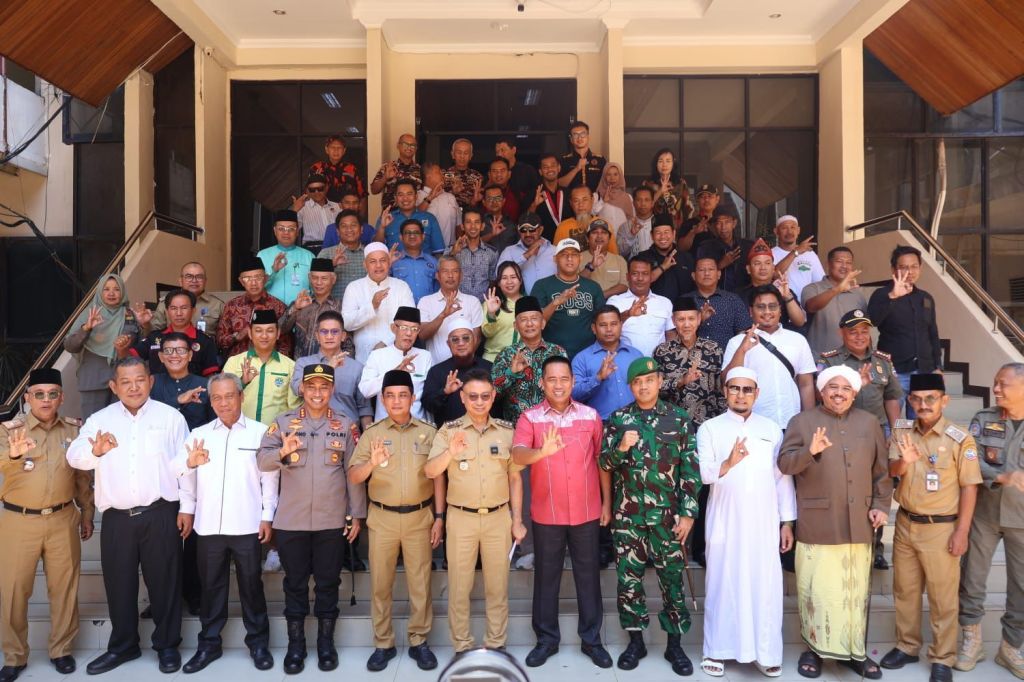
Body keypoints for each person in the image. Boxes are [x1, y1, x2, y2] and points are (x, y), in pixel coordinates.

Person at [66, 357, 194, 675]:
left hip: (161, 513)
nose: (134, 387)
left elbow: (187, 465)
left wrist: (187, 508)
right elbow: (74, 457)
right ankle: (124, 646)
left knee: (164, 582)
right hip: (117, 518)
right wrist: (96, 451)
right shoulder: (99, 420)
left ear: (151, 381)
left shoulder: (171, 417)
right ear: (114, 386)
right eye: (125, 381)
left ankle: (167, 645)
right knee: (119, 584)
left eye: (139, 380)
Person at [777, 365, 892, 679]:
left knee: (853, 593)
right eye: (833, 387)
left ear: (854, 394)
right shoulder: (802, 422)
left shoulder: (869, 422)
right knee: (817, 591)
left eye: (845, 389)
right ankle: (813, 650)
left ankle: (854, 652)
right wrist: (810, 451)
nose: (839, 393)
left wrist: (881, 505)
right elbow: (785, 464)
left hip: (860, 522)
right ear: (821, 391)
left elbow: (882, 472)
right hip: (818, 522)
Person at [257, 363, 365, 674]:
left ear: (332, 390)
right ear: (302, 389)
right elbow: (262, 461)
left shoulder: (345, 425)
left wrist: (356, 514)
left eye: (324, 387)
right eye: (312, 386)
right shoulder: (283, 423)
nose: (318, 393)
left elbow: (353, 473)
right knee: (295, 584)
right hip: (291, 521)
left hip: (331, 521)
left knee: (328, 583)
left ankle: (326, 644)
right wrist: (282, 452)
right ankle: (296, 646)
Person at [600, 357, 701, 676]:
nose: (643, 386)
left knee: (672, 581)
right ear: (631, 387)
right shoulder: (618, 419)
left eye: (649, 380)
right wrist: (621, 448)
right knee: (629, 582)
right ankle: (635, 643)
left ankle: (675, 645)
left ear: (659, 382)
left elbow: (690, 470)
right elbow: (603, 464)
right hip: (628, 519)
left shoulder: (678, 419)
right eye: (637, 382)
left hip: (668, 519)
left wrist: (688, 515)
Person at [513, 356, 613, 669]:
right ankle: (546, 640)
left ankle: (592, 640)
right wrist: (540, 452)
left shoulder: (590, 416)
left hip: (587, 510)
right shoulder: (529, 418)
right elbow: (518, 455)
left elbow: (601, 461)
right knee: (546, 577)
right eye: (552, 379)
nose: (558, 385)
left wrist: (606, 503)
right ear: (542, 383)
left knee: (589, 576)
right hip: (547, 512)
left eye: (564, 379)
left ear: (573, 382)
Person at [175, 373, 278, 673]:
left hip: (247, 524)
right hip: (208, 526)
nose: (223, 403)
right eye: (217, 398)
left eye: (229, 396)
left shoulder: (260, 433)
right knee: (210, 587)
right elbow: (184, 476)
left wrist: (267, 516)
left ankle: (258, 644)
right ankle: (209, 644)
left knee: (251, 586)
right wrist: (186, 509)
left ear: (241, 397)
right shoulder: (199, 434)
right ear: (211, 401)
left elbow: (270, 480)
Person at [880, 373, 980, 682]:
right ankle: (907, 646)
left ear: (944, 400)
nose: (923, 404)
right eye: (917, 399)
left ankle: (942, 657)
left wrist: (962, 531)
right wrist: (905, 461)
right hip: (906, 523)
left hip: (942, 528)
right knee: (905, 591)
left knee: (942, 596)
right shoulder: (902, 430)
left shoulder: (960, 438)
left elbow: (969, 487)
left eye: (930, 398)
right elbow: (891, 470)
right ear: (909, 400)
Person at [697, 367, 796, 678]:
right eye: (735, 388)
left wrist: (787, 521)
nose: (741, 395)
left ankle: (764, 652)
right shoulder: (710, 428)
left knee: (764, 585)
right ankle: (716, 651)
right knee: (722, 583)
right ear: (725, 391)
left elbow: (782, 479)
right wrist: (729, 462)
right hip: (725, 519)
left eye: (747, 389)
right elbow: (704, 473)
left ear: (757, 394)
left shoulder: (771, 429)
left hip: (764, 522)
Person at [0, 369, 94, 682]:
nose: (46, 400)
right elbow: (1, 462)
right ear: (27, 398)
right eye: (38, 394)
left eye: (52, 393)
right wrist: (14, 456)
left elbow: (82, 476)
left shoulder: (73, 430)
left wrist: (87, 512)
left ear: (61, 397)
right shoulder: (9, 431)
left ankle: (61, 650)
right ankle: (14, 656)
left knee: (64, 589)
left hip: (62, 519)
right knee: (13, 592)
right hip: (19, 521)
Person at [347, 370, 444, 672]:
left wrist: (439, 517)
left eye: (403, 395)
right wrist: (371, 463)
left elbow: (438, 478)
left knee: (420, 583)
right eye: (390, 396)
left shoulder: (428, 432)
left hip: (419, 517)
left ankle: (419, 640)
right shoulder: (372, 434)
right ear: (383, 399)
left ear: (413, 398)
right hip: (383, 518)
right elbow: (354, 476)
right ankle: (383, 643)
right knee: (380, 584)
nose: (397, 401)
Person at [424, 369, 525, 654]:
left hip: (498, 518)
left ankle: (496, 644)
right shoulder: (449, 431)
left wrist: (517, 520)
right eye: (473, 397)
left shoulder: (506, 432)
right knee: (459, 587)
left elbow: (515, 478)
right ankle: (462, 646)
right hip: (461, 518)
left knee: (498, 586)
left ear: (493, 397)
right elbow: (430, 471)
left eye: (484, 396)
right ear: (462, 398)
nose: (479, 402)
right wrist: (450, 452)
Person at [957, 363, 1024, 676]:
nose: (995, 389)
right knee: (972, 578)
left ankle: (1010, 647)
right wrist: (1002, 476)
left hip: (1021, 517)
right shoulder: (984, 419)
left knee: (1022, 585)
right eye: (995, 383)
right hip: (984, 513)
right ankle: (972, 640)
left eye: (1003, 384)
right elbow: (971, 460)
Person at [723, 285, 816, 429]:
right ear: (751, 311)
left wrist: (810, 422)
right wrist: (742, 350)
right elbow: (726, 380)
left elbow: (806, 384)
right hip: (752, 424)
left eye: (772, 306)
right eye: (761, 307)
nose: (767, 312)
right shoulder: (737, 342)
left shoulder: (798, 340)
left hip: (791, 421)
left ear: (780, 310)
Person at [867, 245, 941, 418]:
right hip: (895, 371)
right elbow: (872, 321)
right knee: (892, 424)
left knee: (921, 422)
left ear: (920, 268)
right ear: (894, 269)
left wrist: (937, 367)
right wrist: (893, 297)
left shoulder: (925, 298)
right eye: (904, 267)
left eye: (914, 266)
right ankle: (897, 438)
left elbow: (932, 333)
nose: (910, 271)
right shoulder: (882, 294)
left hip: (924, 370)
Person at [63, 273, 141, 418]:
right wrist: (86, 328)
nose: (111, 293)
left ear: (122, 291)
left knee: (123, 424)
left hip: (123, 380)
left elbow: (140, 345)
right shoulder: (89, 313)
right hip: (93, 380)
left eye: (116, 289)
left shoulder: (129, 314)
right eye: (106, 289)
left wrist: (145, 325)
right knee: (94, 426)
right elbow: (70, 346)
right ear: (100, 292)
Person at [491, 296, 567, 427]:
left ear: (543, 323)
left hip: (553, 427)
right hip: (516, 428)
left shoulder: (558, 352)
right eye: (523, 320)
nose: (529, 324)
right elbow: (492, 395)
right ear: (515, 326)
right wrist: (511, 373)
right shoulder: (506, 355)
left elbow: (568, 388)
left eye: (534, 318)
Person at [291, 311, 373, 431]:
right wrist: (328, 368)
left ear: (343, 336)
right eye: (324, 332)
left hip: (347, 433)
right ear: (317, 336)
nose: (329, 336)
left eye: (334, 332)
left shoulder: (357, 368)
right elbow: (297, 389)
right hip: (311, 432)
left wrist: (368, 438)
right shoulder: (304, 363)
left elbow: (364, 409)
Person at [654, 297, 727, 427]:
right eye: (681, 319)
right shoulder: (662, 351)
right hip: (672, 424)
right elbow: (655, 389)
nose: (687, 325)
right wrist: (681, 381)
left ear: (698, 319)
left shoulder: (713, 349)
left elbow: (720, 390)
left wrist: (723, 423)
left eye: (691, 319)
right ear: (673, 321)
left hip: (708, 424)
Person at [341, 241, 416, 364]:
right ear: (365, 265)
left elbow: (410, 323)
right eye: (373, 261)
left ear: (389, 262)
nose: (378, 265)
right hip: (364, 357)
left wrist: (386, 343)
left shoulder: (401, 287)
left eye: (383, 260)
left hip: (397, 354)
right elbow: (347, 323)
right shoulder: (354, 287)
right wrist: (372, 306)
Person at [222, 310, 300, 425]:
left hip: (275, 433)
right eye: (258, 331)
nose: (264, 336)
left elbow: (294, 408)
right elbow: (222, 398)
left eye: (270, 331)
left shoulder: (291, 366)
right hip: (240, 431)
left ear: (278, 333)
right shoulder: (234, 362)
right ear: (250, 333)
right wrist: (242, 382)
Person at [532, 238, 605, 358]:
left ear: (580, 258)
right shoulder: (542, 285)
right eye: (564, 254)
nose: (569, 258)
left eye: (574, 254)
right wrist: (556, 303)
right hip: (552, 354)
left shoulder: (593, 287)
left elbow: (603, 320)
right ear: (555, 259)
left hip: (587, 354)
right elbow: (535, 322)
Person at [359, 306, 433, 422]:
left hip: (417, 425)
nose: (409, 333)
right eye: (404, 328)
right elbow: (365, 391)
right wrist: (394, 373)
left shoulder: (425, 356)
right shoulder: (377, 355)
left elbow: (429, 395)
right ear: (393, 328)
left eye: (414, 329)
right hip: (385, 426)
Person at [572, 305, 643, 420]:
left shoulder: (636, 355)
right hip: (599, 423)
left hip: (636, 421)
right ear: (594, 328)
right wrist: (598, 377)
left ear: (621, 325)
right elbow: (574, 395)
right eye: (603, 325)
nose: (609, 329)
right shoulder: (581, 359)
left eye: (613, 324)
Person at [132, 289, 221, 377]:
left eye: (184, 308)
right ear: (167, 311)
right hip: (158, 386)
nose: (179, 313)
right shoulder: (154, 337)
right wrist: (124, 346)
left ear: (193, 311)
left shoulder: (205, 341)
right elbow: (130, 358)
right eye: (173, 308)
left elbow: (210, 377)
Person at [215, 256, 291, 358]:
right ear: (241, 281)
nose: (253, 283)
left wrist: (275, 364)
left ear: (265, 279)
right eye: (247, 278)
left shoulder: (278, 306)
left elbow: (286, 344)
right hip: (237, 364)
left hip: (269, 363)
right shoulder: (232, 306)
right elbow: (220, 341)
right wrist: (237, 337)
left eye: (258, 277)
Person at [423, 319, 493, 426]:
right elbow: (428, 406)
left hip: (485, 432)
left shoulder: (490, 368)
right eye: (455, 339)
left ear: (474, 340)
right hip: (449, 434)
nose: (461, 343)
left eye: (466, 338)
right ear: (448, 344)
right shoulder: (437, 371)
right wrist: (444, 392)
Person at [802, 246, 867, 356]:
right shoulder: (813, 288)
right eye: (839, 261)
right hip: (822, 358)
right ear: (828, 264)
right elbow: (811, 307)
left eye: (848, 262)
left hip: (852, 358)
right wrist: (838, 289)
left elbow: (864, 327)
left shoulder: (858, 294)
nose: (844, 266)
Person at [418, 256, 485, 363]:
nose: (450, 275)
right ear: (437, 275)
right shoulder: (425, 302)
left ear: (461, 276)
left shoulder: (472, 302)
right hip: (435, 367)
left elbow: (476, 338)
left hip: (465, 367)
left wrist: (462, 362)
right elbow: (422, 335)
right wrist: (443, 315)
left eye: (455, 271)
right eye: (445, 271)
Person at [734, 238, 806, 329]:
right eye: (757, 263)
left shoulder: (784, 291)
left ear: (773, 268)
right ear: (748, 269)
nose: (763, 267)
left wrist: (787, 297)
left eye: (767, 263)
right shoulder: (738, 296)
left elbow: (800, 322)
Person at [685, 256, 753, 351]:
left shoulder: (732, 300)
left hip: (727, 357)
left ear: (719, 274)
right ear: (693, 276)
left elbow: (744, 331)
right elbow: (677, 335)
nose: (707, 273)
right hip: (692, 358)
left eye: (711, 269)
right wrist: (699, 321)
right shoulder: (685, 301)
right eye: (701, 270)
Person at [608, 258, 674, 356]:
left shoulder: (665, 302)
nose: (640, 278)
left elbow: (670, 334)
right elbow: (608, 329)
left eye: (645, 274)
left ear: (651, 277)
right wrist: (628, 314)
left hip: (658, 362)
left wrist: (669, 358)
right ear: (627, 277)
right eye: (635, 274)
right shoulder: (615, 301)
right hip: (626, 362)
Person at [279, 258, 341, 358]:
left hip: (330, 365)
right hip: (301, 364)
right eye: (315, 278)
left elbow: (347, 343)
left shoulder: (340, 307)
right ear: (309, 278)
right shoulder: (299, 303)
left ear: (333, 279)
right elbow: (280, 330)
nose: (319, 283)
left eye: (324, 278)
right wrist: (295, 308)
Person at [148, 262, 223, 335]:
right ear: (180, 281)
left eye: (199, 277)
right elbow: (154, 333)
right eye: (189, 276)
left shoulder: (217, 305)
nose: (194, 280)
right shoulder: (166, 302)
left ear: (205, 281)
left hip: (205, 343)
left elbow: (223, 337)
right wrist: (145, 324)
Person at [635, 215, 697, 302]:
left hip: (683, 309)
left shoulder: (687, 258)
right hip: (653, 308)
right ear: (652, 235)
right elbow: (639, 283)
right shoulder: (643, 258)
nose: (663, 237)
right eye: (658, 233)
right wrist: (662, 267)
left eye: (666, 232)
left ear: (674, 234)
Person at [258, 210, 313, 307]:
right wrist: (274, 271)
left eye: (291, 229)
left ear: (297, 232)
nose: (286, 232)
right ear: (275, 231)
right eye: (281, 228)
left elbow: (315, 287)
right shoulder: (262, 255)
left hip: (301, 310)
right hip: (270, 309)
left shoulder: (309, 256)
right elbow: (257, 287)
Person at [375, 179, 445, 255]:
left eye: (409, 194)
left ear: (416, 196)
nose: (405, 198)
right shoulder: (386, 218)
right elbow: (376, 248)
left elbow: (438, 252)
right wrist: (382, 227)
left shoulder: (430, 218)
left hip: (424, 262)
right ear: (395, 198)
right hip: (395, 262)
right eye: (401, 195)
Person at [696, 200, 753, 292]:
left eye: (727, 222)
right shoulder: (705, 248)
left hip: (744, 296)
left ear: (734, 223)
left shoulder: (747, 246)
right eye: (719, 222)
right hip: (716, 295)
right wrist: (720, 265)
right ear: (714, 225)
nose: (723, 227)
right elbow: (699, 277)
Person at [496, 214, 556, 293]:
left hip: (553, 300)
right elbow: (499, 275)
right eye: (523, 230)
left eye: (532, 230)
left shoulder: (554, 251)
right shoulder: (509, 251)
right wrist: (526, 255)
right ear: (518, 231)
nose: (528, 234)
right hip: (522, 300)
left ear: (540, 230)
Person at [771, 215, 824, 304]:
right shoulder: (770, 254)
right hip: (781, 307)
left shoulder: (810, 254)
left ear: (798, 230)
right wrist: (796, 252)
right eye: (784, 228)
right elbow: (774, 275)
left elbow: (820, 283)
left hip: (806, 308)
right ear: (776, 231)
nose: (789, 232)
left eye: (793, 227)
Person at [448, 207, 498, 302]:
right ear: (462, 226)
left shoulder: (492, 252)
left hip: (482, 304)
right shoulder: (451, 250)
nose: (473, 226)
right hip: (457, 304)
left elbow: (492, 280)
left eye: (477, 222)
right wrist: (453, 253)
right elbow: (442, 273)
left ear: (482, 226)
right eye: (468, 222)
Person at [554, 185, 620, 255]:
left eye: (585, 200)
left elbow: (614, 256)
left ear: (592, 200)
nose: (580, 205)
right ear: (571, 203)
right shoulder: (563, 227)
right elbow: (556, 256)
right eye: (576, 201)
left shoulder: (604, 225)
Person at [318, 210, 367, 300]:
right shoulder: (326, 253)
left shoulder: (369, 254)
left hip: (365, 306)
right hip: (335, 306)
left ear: (361, 229)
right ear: (337, 231)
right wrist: (331, 265)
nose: (349, 229)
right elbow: (315, 282)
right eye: (344, 226)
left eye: (353, 225)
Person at [481, 262, 525, 362]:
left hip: (522, 361)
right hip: (494, 360)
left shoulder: (528, 302)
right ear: (499, 283)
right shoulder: (491, 303)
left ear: (520, 280)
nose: (509, 281)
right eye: (504, 278)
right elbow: (487, 333)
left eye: (513, 277)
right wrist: (491, 314)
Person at [390, 218, 439, 303]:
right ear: (401, 237)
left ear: (423, 236)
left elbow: (438, 290)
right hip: (401, 309)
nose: (412, 236)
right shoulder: (393, 261)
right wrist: (388, 264)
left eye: (416, 232)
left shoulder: (433, 262)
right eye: (407, 233)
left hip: (428, 309)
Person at [526, 153, 573, 242]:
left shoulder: (568, 193)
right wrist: (534, 205)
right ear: (540, 172)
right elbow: (525, 221)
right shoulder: (533, 194)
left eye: (553, 165)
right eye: (545, 167)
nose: (550, 169)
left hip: (568, 244)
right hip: (544, 245)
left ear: (559, 168)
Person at [308, 134, 366, 205]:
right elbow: (308, 192)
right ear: (326, 149)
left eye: (339, 147)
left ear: (344, 150)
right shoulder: (317, 168)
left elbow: (363, 195)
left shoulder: (352, 169)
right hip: (322, 209)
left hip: (347, 209)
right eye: (332, 147)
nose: (336, 150)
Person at [370, 133, 422, 210]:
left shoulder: (420, 170)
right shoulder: (388, 167)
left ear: (416, 149)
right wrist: (385, 178)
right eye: (405, 144)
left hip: (413, 214)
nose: (409, 147)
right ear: (398, 146)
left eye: (412, 145)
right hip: (390, 214)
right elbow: (374, 190)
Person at [579, 218, 628, 298]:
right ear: (587, 239)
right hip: (586, 302)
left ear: (609, 238)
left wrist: (601, 296)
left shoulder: (619, 260)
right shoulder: (577, 258)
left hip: (612, 303)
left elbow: (624, 286)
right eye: (595, 232)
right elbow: (574, 284)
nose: (599, 236)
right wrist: (591, 266)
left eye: (604, 232)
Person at [642, 147, 691, 226]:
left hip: (676, 227)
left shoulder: (680, 183)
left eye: (668, 161)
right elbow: (643, 207)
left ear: (673, 164)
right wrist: (660, 191)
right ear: (656, 164)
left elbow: (687, 208)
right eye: (660, 161)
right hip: (653, 227)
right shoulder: (648, 183)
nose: (664, 164)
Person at [291, 174, 341, 250]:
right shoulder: (302, 207)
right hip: (313, 248)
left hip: (336, 247)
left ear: (326, 187)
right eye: (312, 190)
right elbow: (292, 230)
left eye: (320, 188)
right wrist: (294, 210)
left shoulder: (337, 207)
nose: (316, 192)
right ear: (307, 191)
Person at [415, 162, 459, 247]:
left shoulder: (451, 197)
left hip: (450, 250)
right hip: (426, 250)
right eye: (439, 172)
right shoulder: (417, 196)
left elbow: (458, 226)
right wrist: (429, 198)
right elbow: (413, 217)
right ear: (428, 176)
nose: (442, 175)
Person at [558, 121, 606, 193]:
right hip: (571, 199)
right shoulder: (564, 160)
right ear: (571, 139)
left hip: (595, 199)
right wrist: (576, 168)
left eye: (583, 134)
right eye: (575, 135)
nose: (579, 138)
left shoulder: (600, 160)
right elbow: (559, 185)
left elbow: (606, 183)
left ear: (588, 137)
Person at [495, 137, 539, 210]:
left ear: (513, 150)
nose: (499, 154)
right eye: (497, 152)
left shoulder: (527, 170)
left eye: (503, 150)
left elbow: (535, 193)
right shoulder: (493, 173)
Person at [677, 184, 719, 253]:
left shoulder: (723, 221)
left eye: (709, 196)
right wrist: (693, 232)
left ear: (717, 199)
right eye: (702, 197)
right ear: (697, 201)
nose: (706, 199)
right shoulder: (689, 223)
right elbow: (681, 248)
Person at [479, 183, 519, 253]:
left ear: (503, 201)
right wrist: (491, 235)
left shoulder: (511, 224)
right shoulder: (479, 223)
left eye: (498, 198)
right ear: (484, 202)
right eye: (490, 199)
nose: (494, 202)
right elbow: (471, 244)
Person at [445, 138, 484, 210]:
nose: (462, 156)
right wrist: (453, 192)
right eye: (459, 152)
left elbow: (480, 202)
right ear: (452, 154)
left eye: (466, 153)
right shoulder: (442, 175)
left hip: (469, 214)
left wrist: (474, 200)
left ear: (471, 156)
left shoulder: (477, 177)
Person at [616, 186, 656, 258]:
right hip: (634, 264)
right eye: (639, 200)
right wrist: (631, 235)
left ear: (652, 203)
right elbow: (620, 252)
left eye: (647, 200)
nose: (643, 203)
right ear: (633, 203)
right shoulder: (625, 227)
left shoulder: (661, 224)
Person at [486, 157, 521, 222]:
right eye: (494, 171)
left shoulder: (518, 195)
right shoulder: (482, 195)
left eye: (502, 171)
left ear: (509, 174)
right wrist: (474, 203)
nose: (498, 174)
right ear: (489, 175)